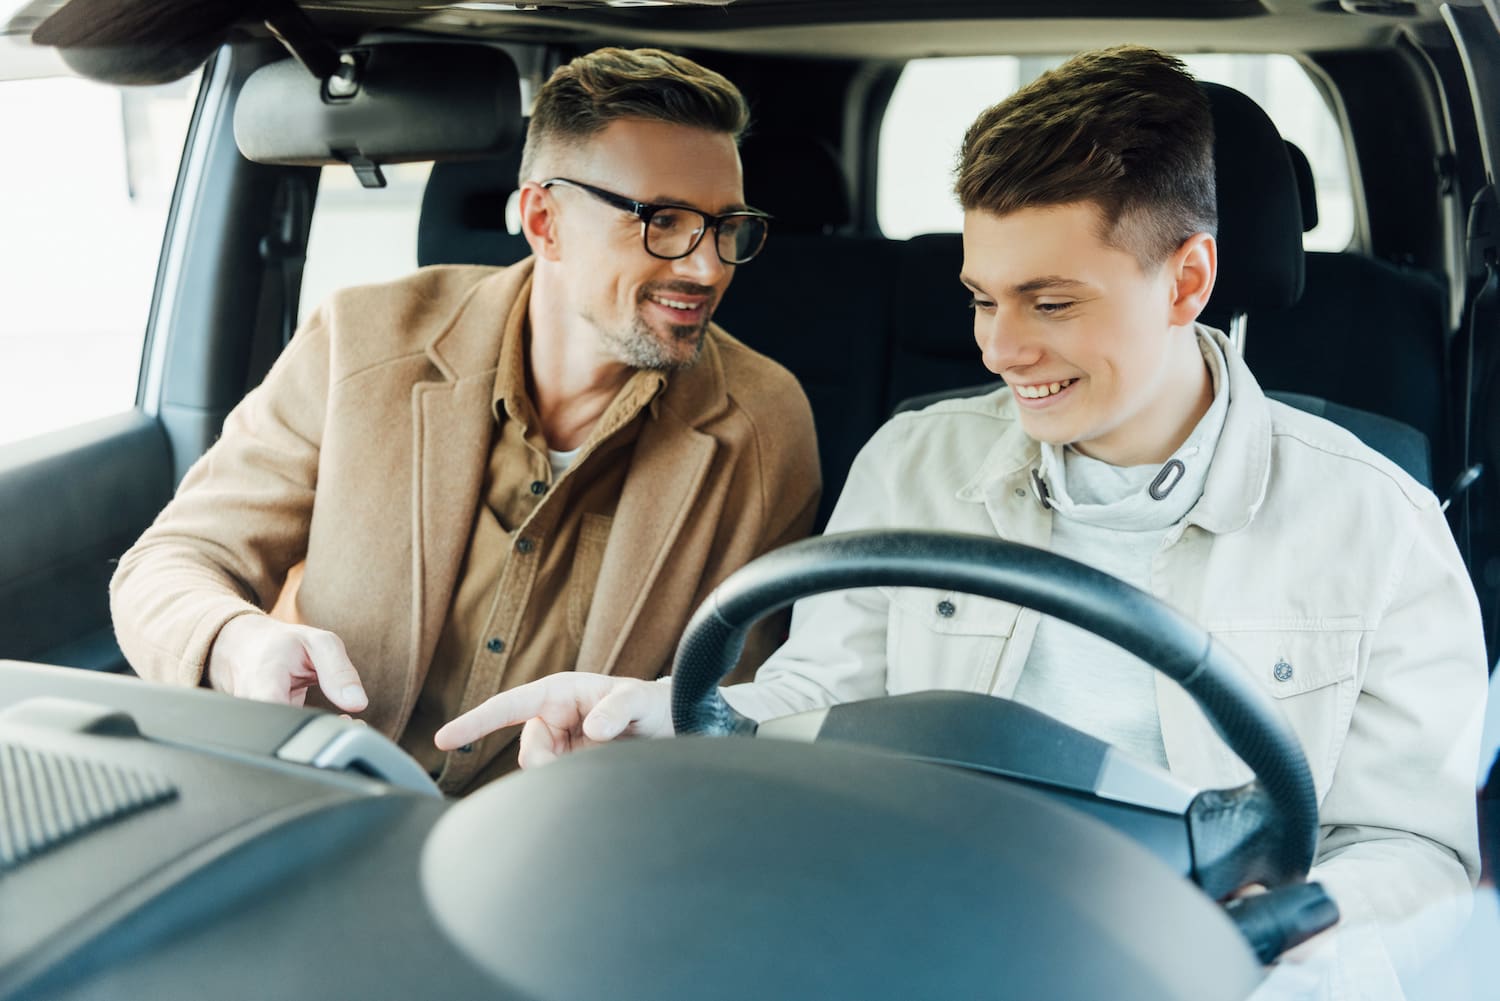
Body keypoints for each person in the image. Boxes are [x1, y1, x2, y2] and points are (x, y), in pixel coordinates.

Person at [435, 47, 1488, 996]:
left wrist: (1285, 945)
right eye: (983, 299)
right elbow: (826, 698)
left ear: (1189, 280)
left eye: (1052, 302)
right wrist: (663, 711)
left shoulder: (1377, 522)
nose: (1001, 348)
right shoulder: (915, 459)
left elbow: (1414, 846)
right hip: (919, 937)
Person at [109, 47, 821, 795]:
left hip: (576, 845)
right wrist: (237, 643)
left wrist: (643, 766)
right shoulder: (361, 342)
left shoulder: (764, 427)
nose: (707, 267)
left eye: (726, 227)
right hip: (330, 804)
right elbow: (169, 563)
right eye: (664, 222)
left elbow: (735, 716)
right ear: (544, 221)